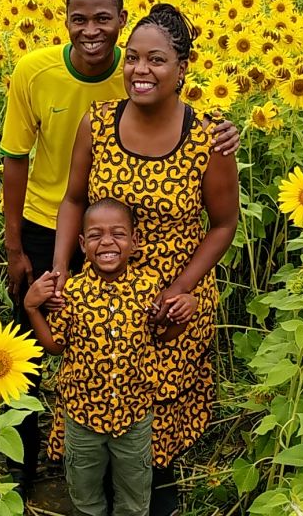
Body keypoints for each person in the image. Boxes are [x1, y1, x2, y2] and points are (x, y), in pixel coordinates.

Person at [0, 0, 239, 494]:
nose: (140, 69)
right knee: (94, 385)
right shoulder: (100, 121)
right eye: (134, 58)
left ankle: (152, 500)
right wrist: (61, 267)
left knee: (160, 409)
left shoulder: (209, 138)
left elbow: (223, 224)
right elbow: (74, 199)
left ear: (183, 67)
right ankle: (86, 493)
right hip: (104, 281)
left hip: (175, 293)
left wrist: (182, 288)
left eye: (157, 59)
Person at [23, 198, 195, 516]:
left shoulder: (149, 289)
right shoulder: (71, 292)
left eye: (118, 233)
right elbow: (54, 346)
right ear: (82, 243)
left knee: (134, 494)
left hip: (134, 416)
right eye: (95, 235)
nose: (107, 242)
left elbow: (163, 336)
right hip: (82, 416)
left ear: (134, 242)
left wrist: (181, 315)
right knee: (85, 493)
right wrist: (32, 308)